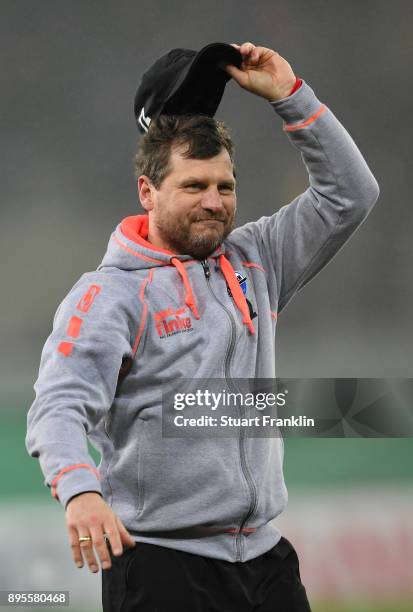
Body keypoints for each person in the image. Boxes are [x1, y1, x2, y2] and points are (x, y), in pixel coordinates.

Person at [25, 41, 379, 611]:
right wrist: (80, 493)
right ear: (148, 192)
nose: (213, 202)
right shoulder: (108, 295)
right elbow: (58, 406)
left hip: (265, 565)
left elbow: (351, 195)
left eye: (225, 187)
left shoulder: (256, 259)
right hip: (161, 566)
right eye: (194, 187)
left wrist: (292, 96)